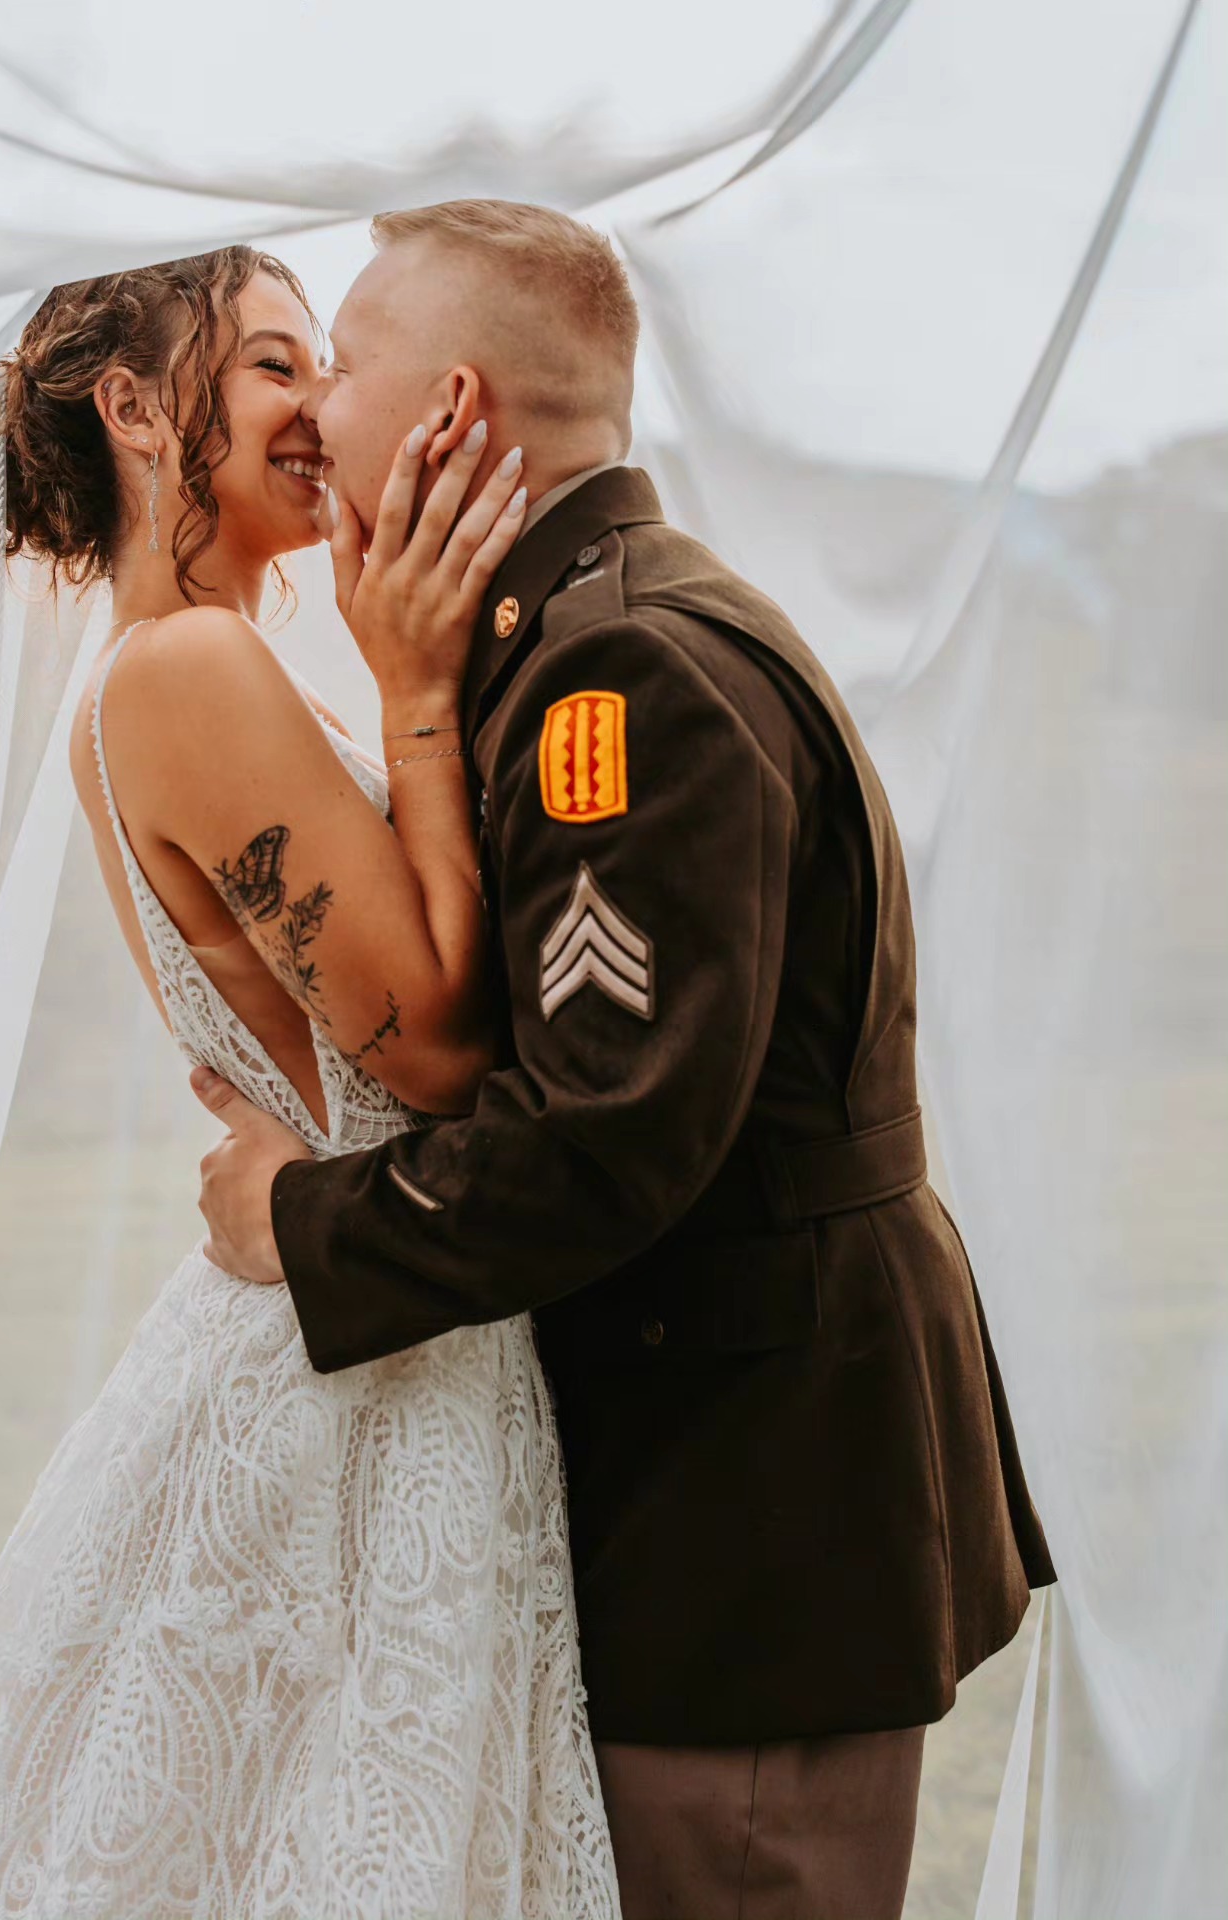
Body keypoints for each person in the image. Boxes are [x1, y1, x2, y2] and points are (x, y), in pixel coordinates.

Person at [193, 198, 1057, 1920]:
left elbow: (609, 1136)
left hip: (753, 1507)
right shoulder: (579, 634)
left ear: (451, 415)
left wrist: (297, 1219)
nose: (314, 415)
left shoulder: (618, 685)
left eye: (341, 368)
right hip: (737, 1454)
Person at [0, 246, 619, 1920]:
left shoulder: (184, 670)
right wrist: (419, 692)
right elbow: (445, 1046)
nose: (322, 410)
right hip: (365, 1370)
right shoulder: (188, 674)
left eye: (322, 367)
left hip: (352, 1306)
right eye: (270, 369)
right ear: (132, 411)